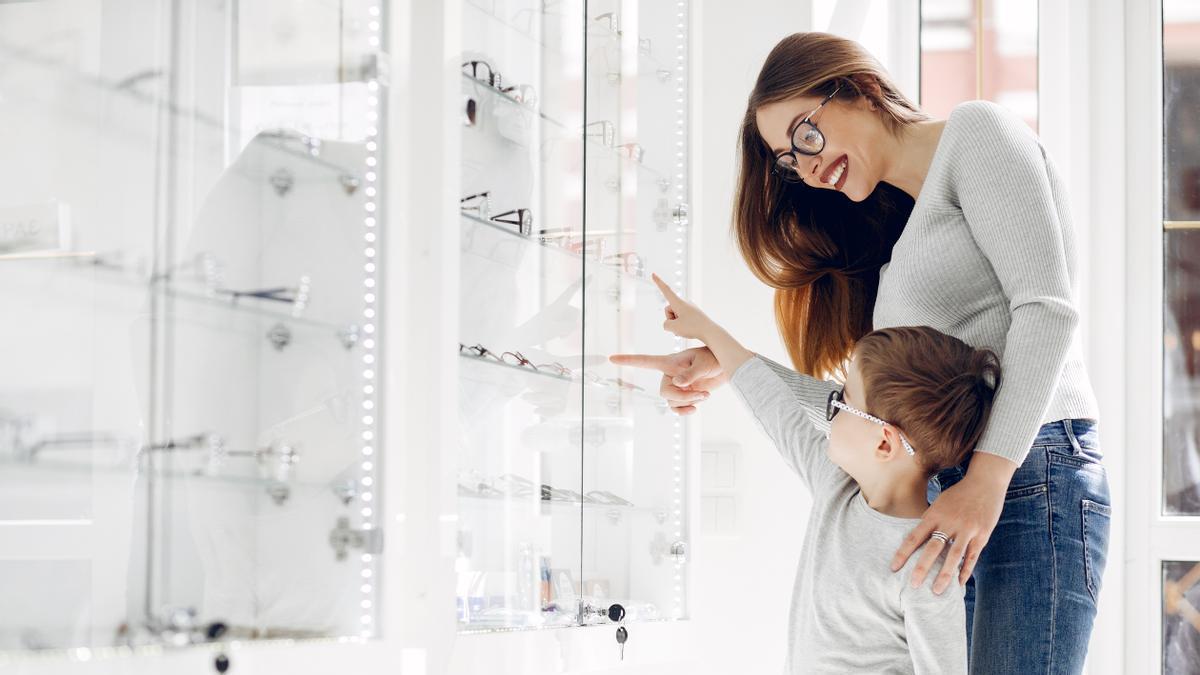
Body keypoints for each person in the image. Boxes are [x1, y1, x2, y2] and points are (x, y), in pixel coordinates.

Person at [612, 32, 1111, 673]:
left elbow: (1047, 311)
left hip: (1032, 468)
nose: (807, 166)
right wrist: (727, 358)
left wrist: (987, 480)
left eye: (806, 134)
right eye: (789, 159)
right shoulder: (903, 242)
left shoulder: (976, 134)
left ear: (856, 88)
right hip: (957, 482)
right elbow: (863, 412)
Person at [642, 273, 1000, 673]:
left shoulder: (927, 567)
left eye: (844, 399)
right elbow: (775, 406)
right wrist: (709, 332)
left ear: (884, 442)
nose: (830, 409)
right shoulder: (837, 488)